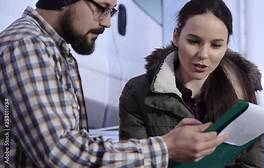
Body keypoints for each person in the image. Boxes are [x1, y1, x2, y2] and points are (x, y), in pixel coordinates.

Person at [0, 0, 228, 167]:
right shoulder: (27, 46)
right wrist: (167, 147)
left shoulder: (52, 49)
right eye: (101, 8)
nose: (108, 22)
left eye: (112, 11)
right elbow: (60, 155)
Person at [119, 0, 264, 167]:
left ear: (226, 46)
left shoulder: (243, 92)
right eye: (194, 41)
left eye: (216, 45)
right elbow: (132, 162)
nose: (203, 54)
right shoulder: (138, 92)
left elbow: (253, 164)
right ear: (176, 36)